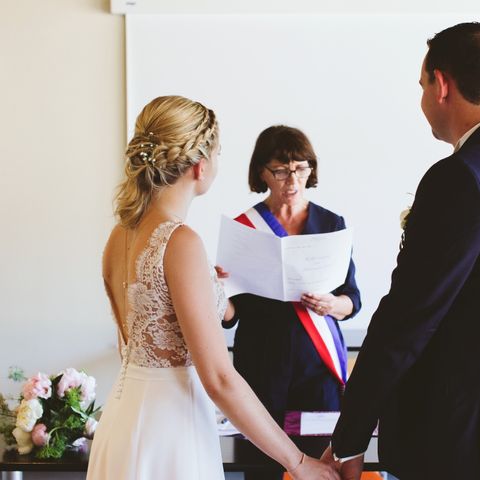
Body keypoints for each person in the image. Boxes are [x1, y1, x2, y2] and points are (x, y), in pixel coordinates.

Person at [323, 23, 480, 480]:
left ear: (441, 85)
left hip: (461, 446)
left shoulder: (459, 178)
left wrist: (349, 439)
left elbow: (405, 321)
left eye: (421, 86)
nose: (421, 101)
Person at [86, 96, 339, 480]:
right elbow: (220, 379)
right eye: (218, 153)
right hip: (169, 430)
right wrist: (299, 462)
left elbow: (139, 337)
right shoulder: (180, 241)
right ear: (200, 166)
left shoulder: (119, 235)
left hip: (122, 421)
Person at [218, 125, 361, 426]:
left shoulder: (331, 223)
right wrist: (217, 290)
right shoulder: (244, 228)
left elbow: (352, 299)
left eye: (301, 169)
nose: (293, 180)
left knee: (320, 459)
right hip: (260, 366)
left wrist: (331, 305)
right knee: (260, 460)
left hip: (316, 368)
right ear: (262, 173)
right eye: (281, 171)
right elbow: (231, 315)